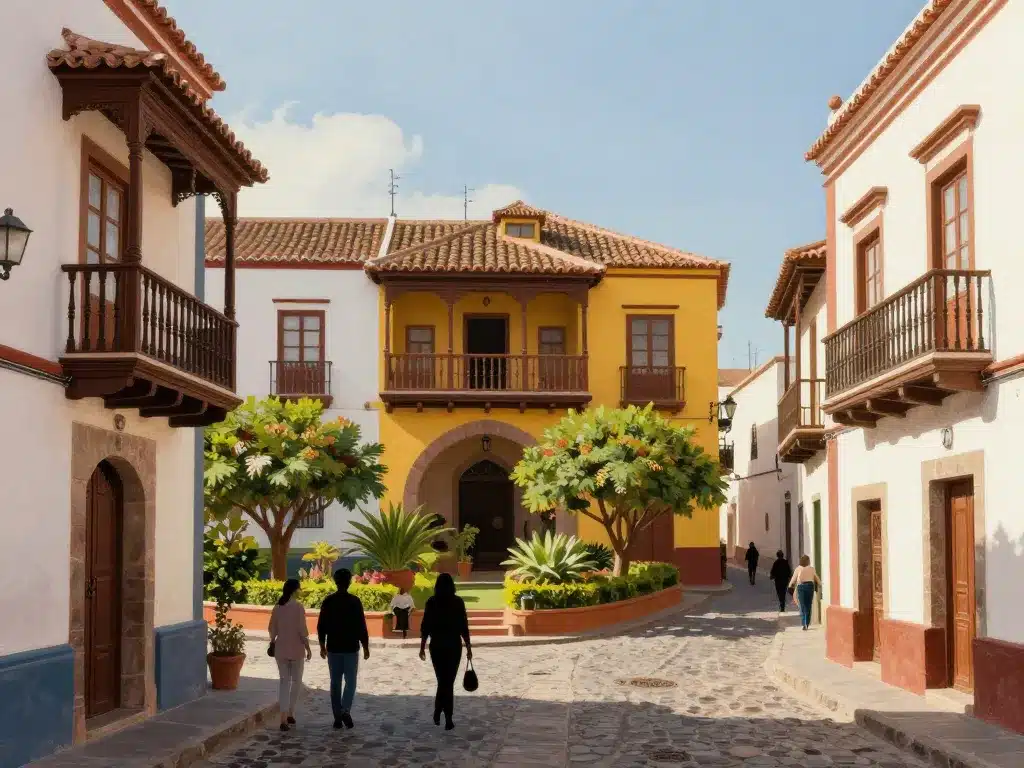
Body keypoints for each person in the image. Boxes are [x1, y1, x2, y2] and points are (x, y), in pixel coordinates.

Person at [317, 569, 370, 729]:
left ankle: (337, 717)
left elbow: (321, 625)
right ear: (349, 582)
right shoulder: (355, 601)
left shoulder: (328, 601)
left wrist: (322, 645)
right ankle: (345, 709)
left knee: (335, 683)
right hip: (351, 648)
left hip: (333, 648)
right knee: (351, 682)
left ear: (335, 581)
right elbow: (361, 625)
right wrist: (365, 646)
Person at [419, 572, 472, 731]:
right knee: (447, 682)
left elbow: (425, 626)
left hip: (437, 646)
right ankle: (447, 717)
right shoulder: (457, 602)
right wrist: (468, 646)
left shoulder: (431, 602)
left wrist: (422, 646)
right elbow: (463, 626)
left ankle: (438, 711)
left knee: (442, 681)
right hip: (453, 646)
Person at [268, 578, 312, 731]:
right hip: (296, 649)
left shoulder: (277, 607)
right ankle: (291, 712)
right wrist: (308, 647)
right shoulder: (298, 607)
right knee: (297, 681)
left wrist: (272, 641)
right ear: (295, 590)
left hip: (281, 649)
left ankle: (283, 717)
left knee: (284, 682)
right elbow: (302, 630)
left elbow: (272, 629)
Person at [788, 555, 822, 630]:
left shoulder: (798, 568)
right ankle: (807, 623)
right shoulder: (812, 568)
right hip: (810, 586)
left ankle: (804, 623)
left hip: (801, 587)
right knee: (808, 605)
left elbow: (793, 578)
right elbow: (816, 577)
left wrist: (789, 586)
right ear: (808, 561)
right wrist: (820, 584)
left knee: (802, 605)